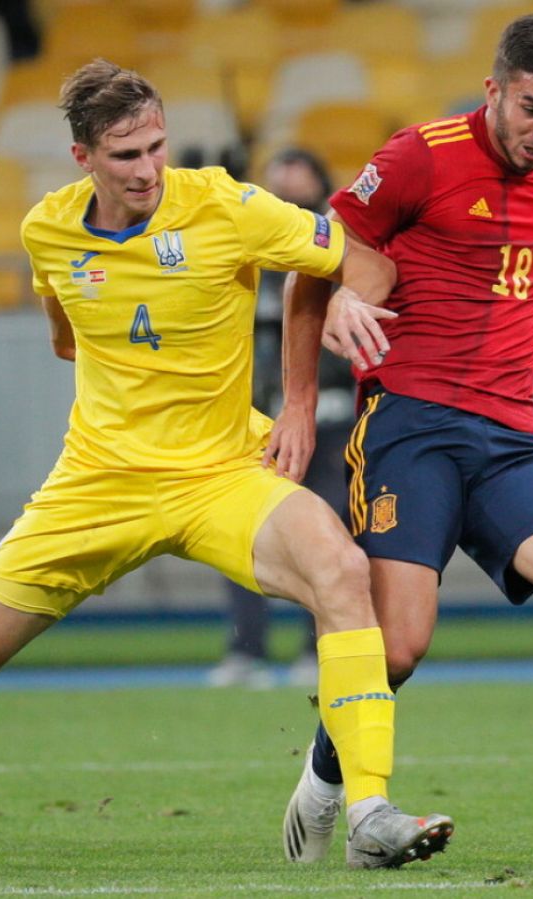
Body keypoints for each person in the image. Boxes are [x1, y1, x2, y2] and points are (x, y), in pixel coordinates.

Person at [0, 59, 453, 872]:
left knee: (341, 571)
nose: (148, 169)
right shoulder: (48, 230)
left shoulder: (227, 205)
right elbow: (65, 333)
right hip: (96, 486)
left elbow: (358, 260)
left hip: (221, 473)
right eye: (126, 155)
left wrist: (319, 358)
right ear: (83, 158)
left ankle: (367, 809)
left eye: (157, 147)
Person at [273, 14, 533, 865]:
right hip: (410, 426)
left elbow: (493, 296)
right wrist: (301, 402)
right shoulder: (419, 155)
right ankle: (323, 778)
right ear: (494, 89)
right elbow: (312, 262)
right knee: (400, 646)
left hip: (505, 435)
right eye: (532, 108)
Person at [207, 148, 345, 690]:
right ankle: (246, 648)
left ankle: (319, 648)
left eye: (299, 175)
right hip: (261, 419)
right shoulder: (251, 250)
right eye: (277, 179)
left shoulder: (338, 250)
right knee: (245, 535)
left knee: (330, 533)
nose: (287, 185)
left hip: (332, 417)